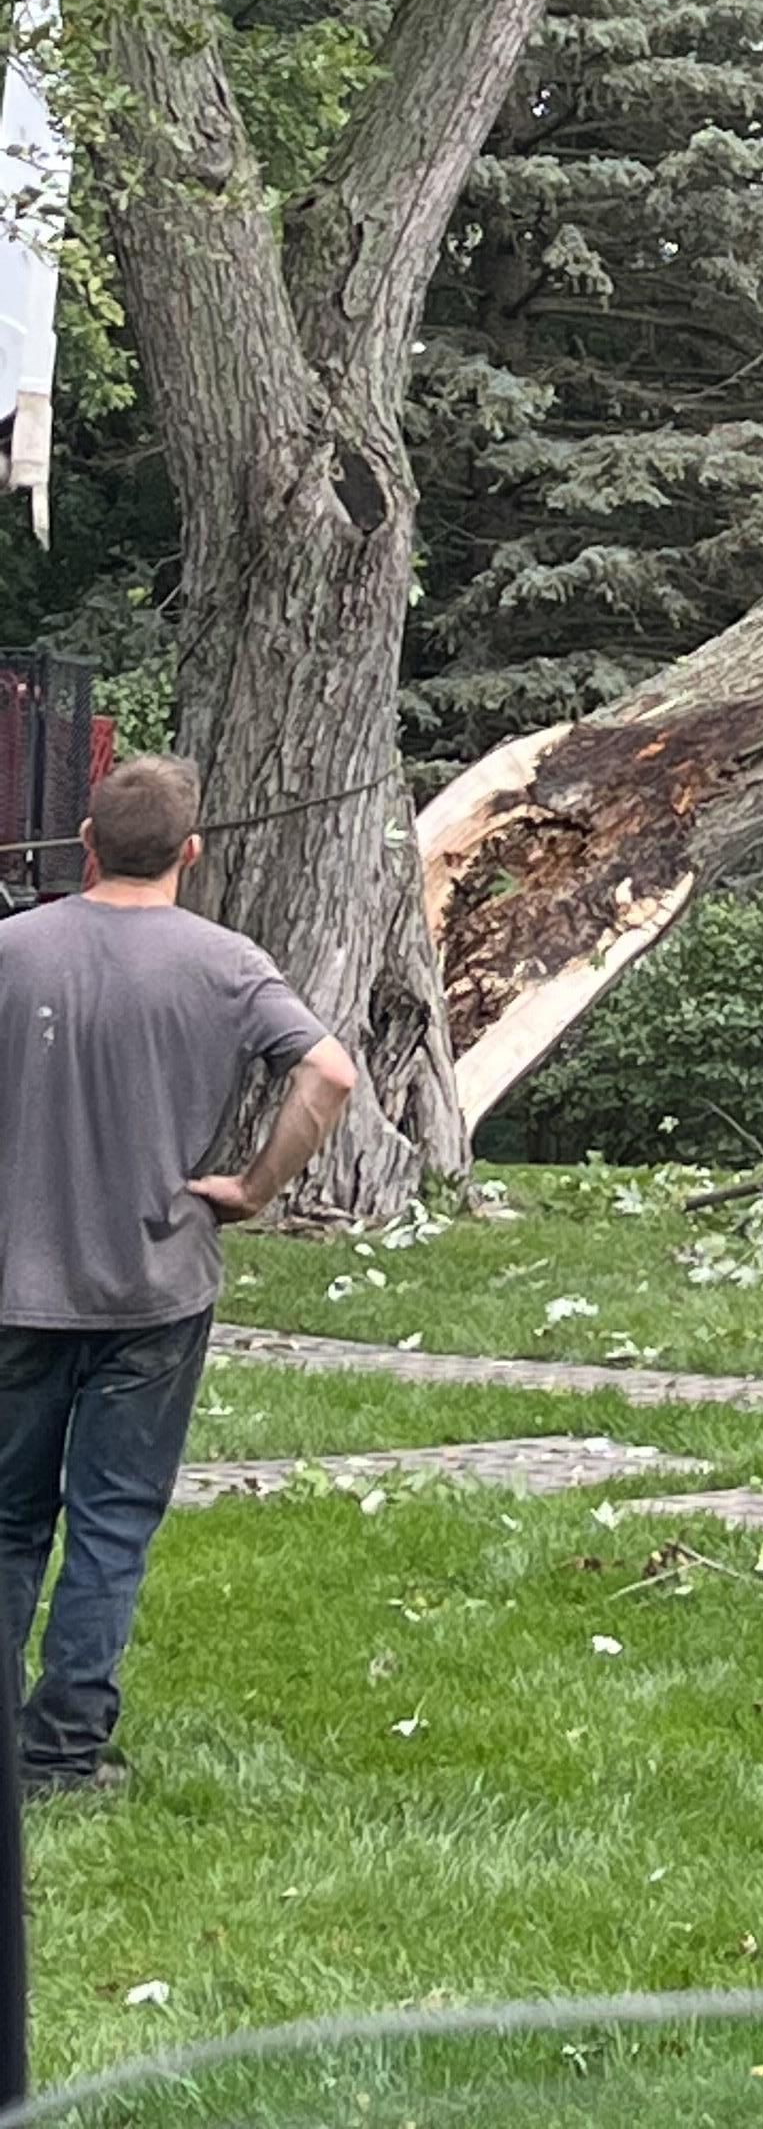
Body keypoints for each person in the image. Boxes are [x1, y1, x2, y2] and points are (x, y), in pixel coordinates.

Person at [0, 753, 354, 1798]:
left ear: (82, 842)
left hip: (14, 1287)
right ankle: (63, 1754)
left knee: (10, 1521)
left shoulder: (13, 951)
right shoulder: (228, 964)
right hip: (154, 1287)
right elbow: (329, 1072)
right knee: (110, 1523)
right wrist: (254, 1186)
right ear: (190, 853)